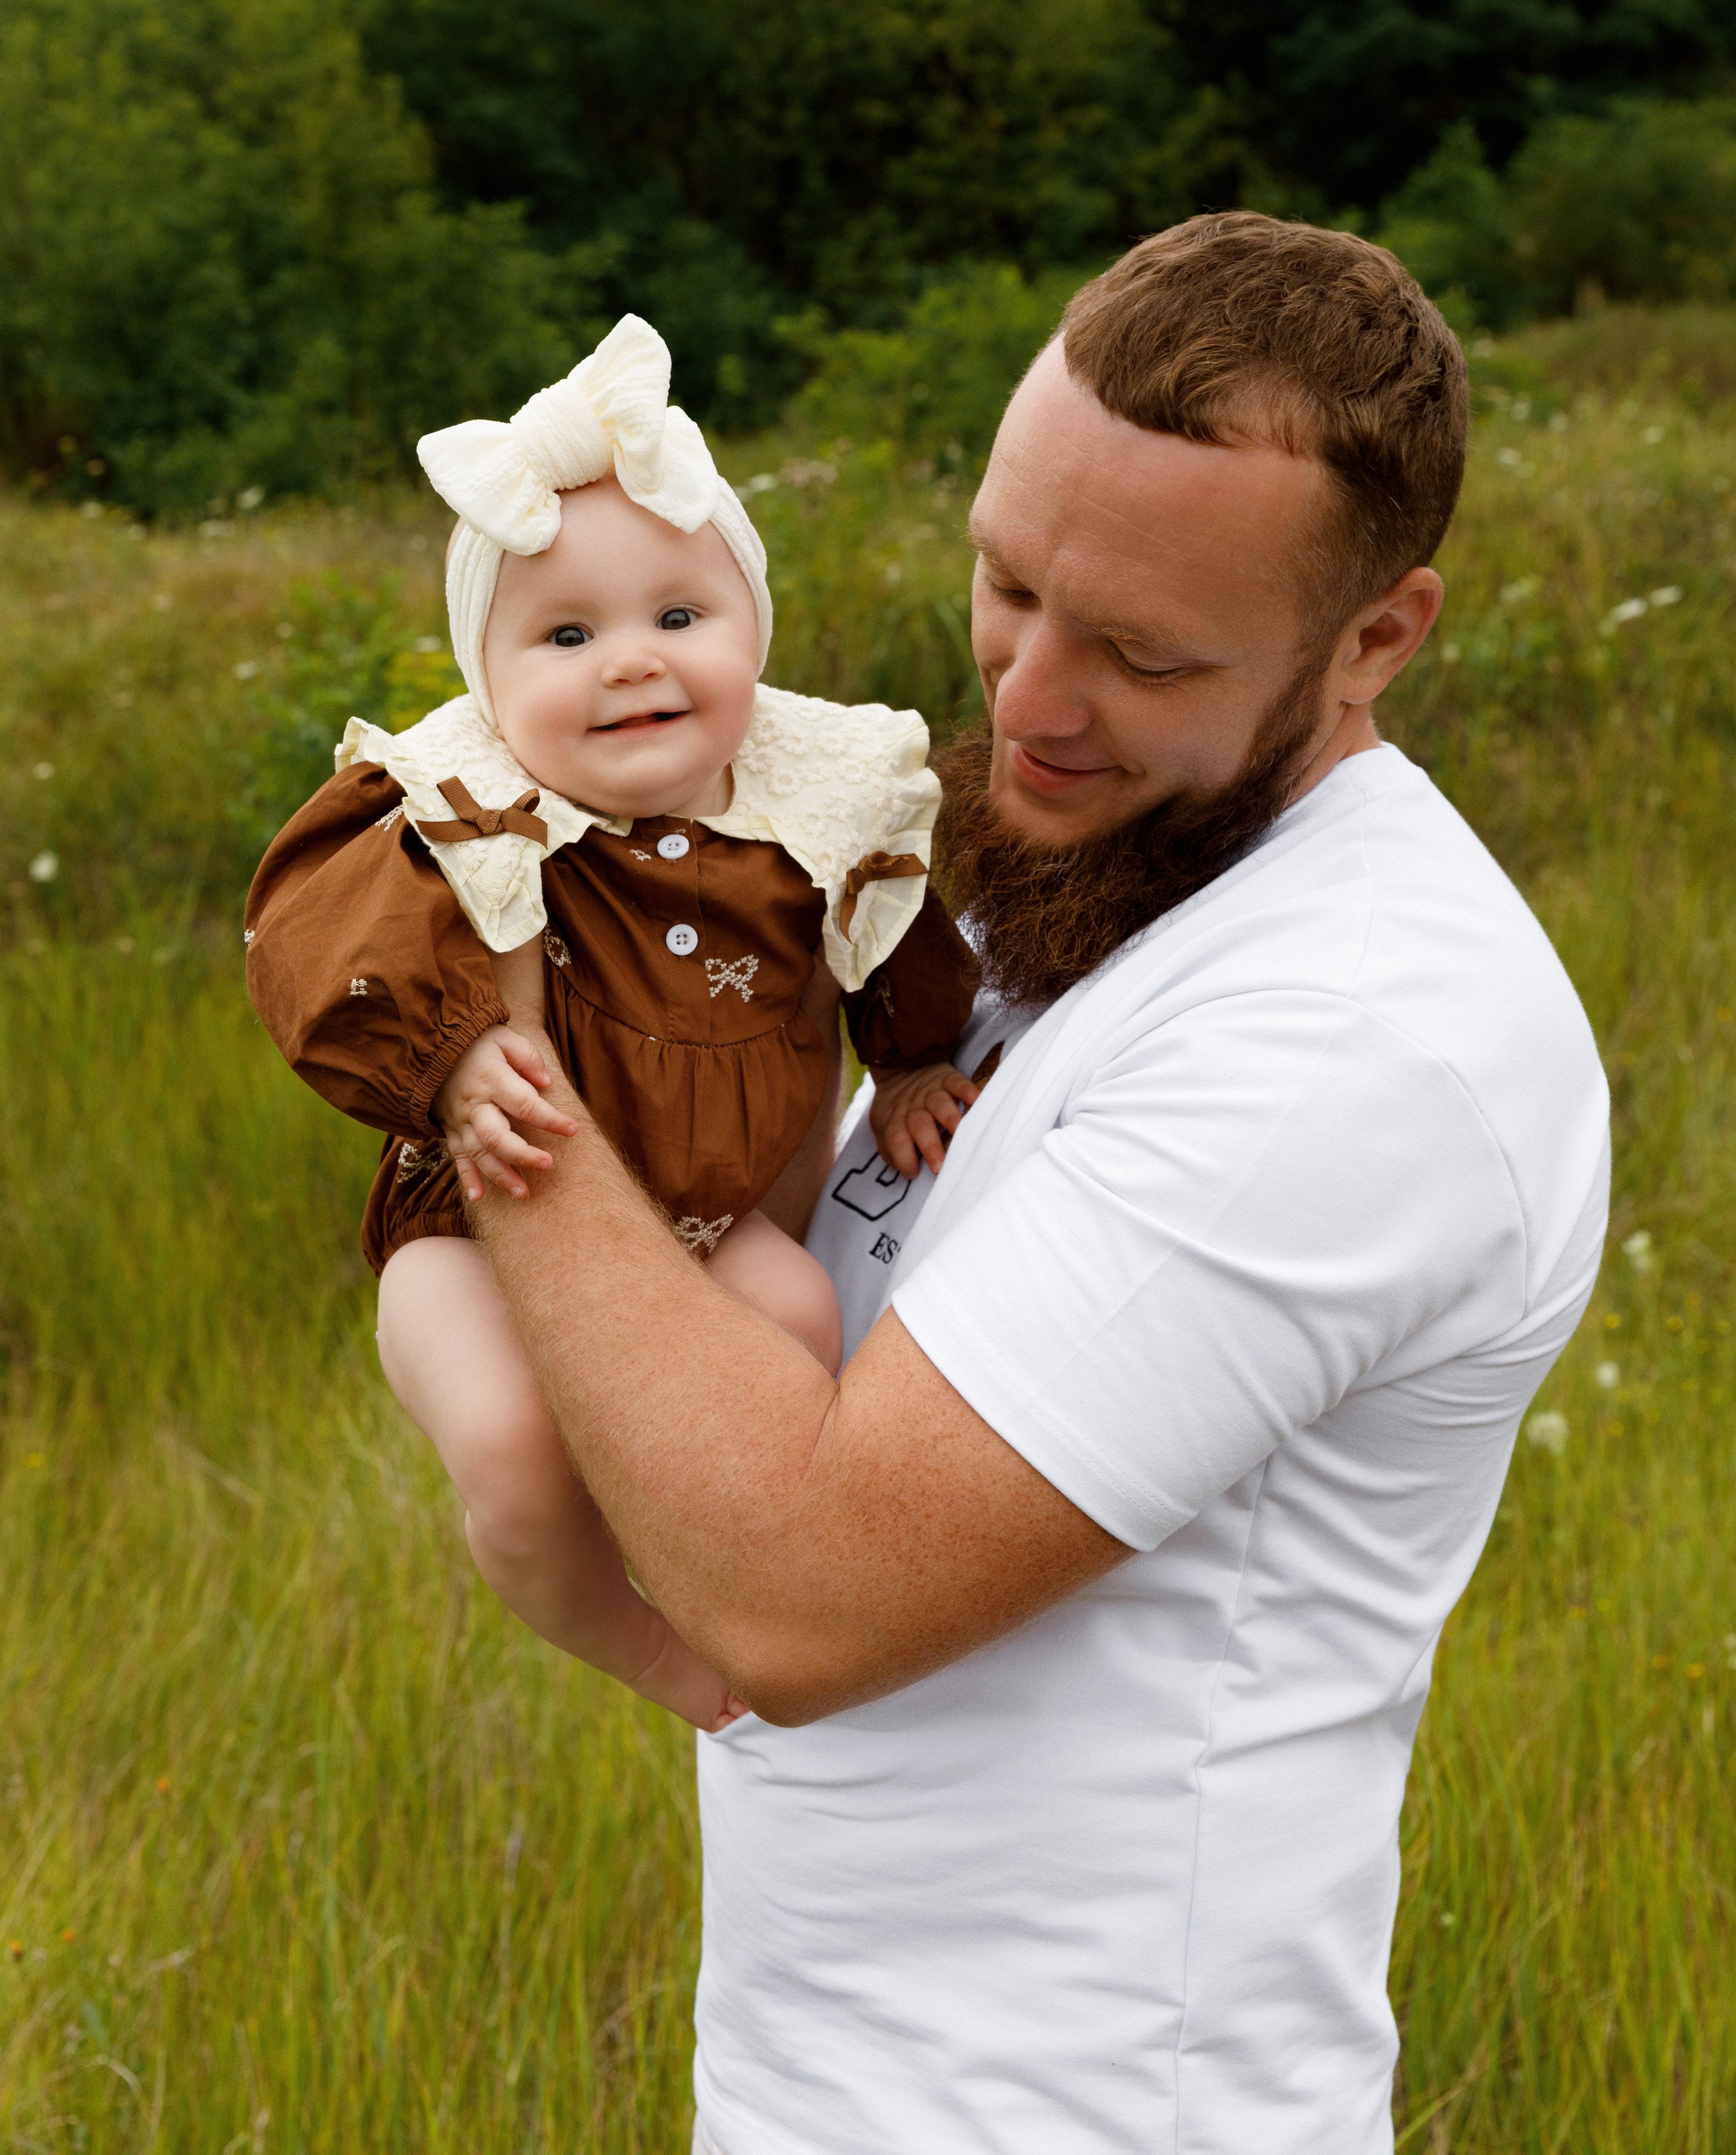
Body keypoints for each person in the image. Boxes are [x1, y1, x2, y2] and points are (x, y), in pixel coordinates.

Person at [463, 216, 1609, 2155]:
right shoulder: (1097, 856)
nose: (1031, 701)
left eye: (1146, 650)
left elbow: (796, 1597)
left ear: (1379, 637)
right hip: (828, 2093)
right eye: (1007, 583)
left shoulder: (1360, 1032)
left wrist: (477, 1035)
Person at [243, 314, 979, 1732]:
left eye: (676, 618)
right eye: (566, 635)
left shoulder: (808, 798)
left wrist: (913, 1060)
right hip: (473, 1230)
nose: (629, 662)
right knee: (518, 1449)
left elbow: (887, 926)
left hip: (713, 1222)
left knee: (799, 1325)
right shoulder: (465, 803)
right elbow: (324, 936)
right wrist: (455, 1055)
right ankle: (640, 1646)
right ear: (487, 679)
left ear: (751, 632)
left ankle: (745, 1574)